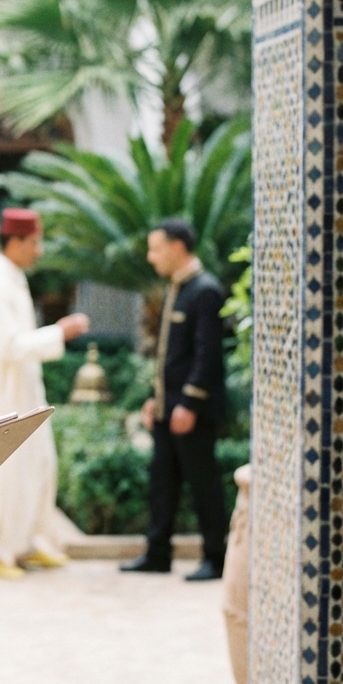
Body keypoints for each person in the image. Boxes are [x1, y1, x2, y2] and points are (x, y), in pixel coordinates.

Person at [0, 209, 89, 580]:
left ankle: (27, 543)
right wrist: (59, 333)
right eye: (34, 243)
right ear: (14, 242)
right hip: (2, 397)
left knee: (36, 466)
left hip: (22, 393)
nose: (39, 250)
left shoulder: (11, 277)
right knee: (5, 475)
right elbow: (10, 346)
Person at [121, 219, 228, 581]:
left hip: (190, 412)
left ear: (178, 247)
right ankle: (158, 553)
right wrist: (156, 399)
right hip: (169, 408)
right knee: (162, 482)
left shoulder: (205, 290)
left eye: (156, 249)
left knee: (203, 484)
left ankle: (216, 557)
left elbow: (207, 355)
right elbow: (170, 356)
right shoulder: (176, 289)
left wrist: (190, 404)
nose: (151, 258)